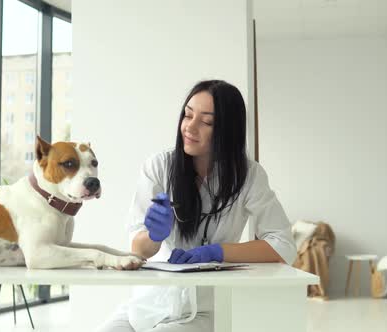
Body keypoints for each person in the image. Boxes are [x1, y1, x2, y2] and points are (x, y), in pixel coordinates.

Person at [96, 80, 297, 332]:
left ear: (228, 130)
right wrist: (154, 236)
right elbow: (138, 250)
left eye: (206, 122)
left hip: (203, 310)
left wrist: (218, 252)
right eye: (188, 115)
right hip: (148, 303)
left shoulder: (249, 176)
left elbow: (284, 246)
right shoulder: (159, 167)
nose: (190, 127)